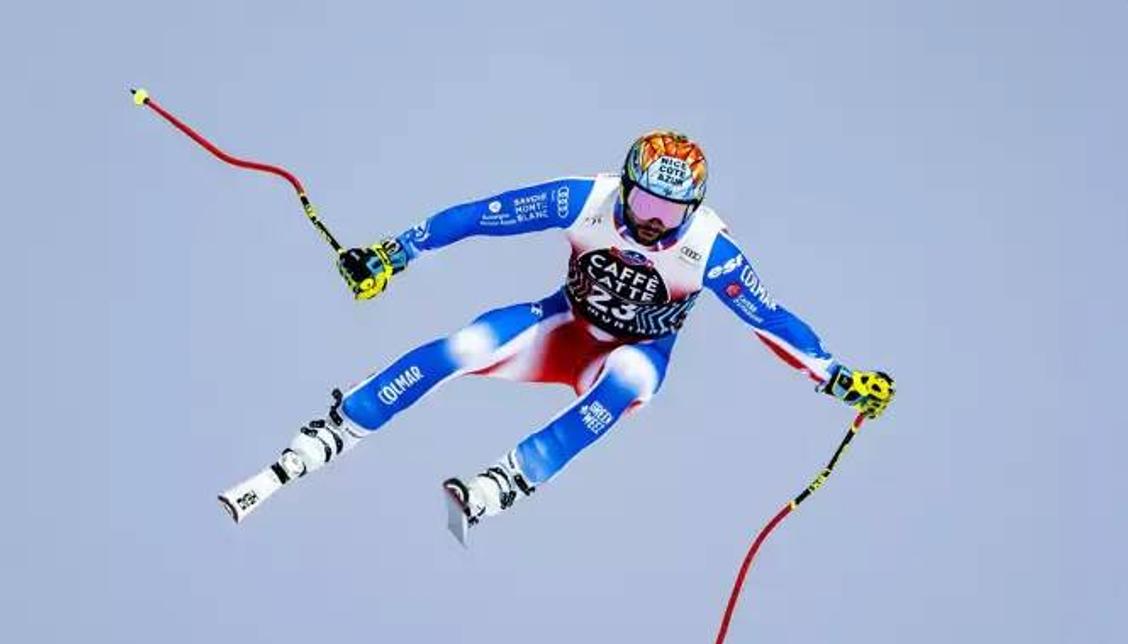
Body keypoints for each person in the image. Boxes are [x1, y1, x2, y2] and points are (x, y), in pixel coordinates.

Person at [218, 130, 895, 537]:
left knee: (631, 381)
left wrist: (835, 376)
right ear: (625, 186)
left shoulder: (710, 251)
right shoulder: (585, 199)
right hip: (563, 325)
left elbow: (769, 320)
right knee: (471, 342)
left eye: (669, 211)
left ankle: (510, 479)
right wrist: (395, 253)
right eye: (643, 203)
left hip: (632, 353)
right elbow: (484, 216)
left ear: (693, 207)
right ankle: (345, 422)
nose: (652, 223)